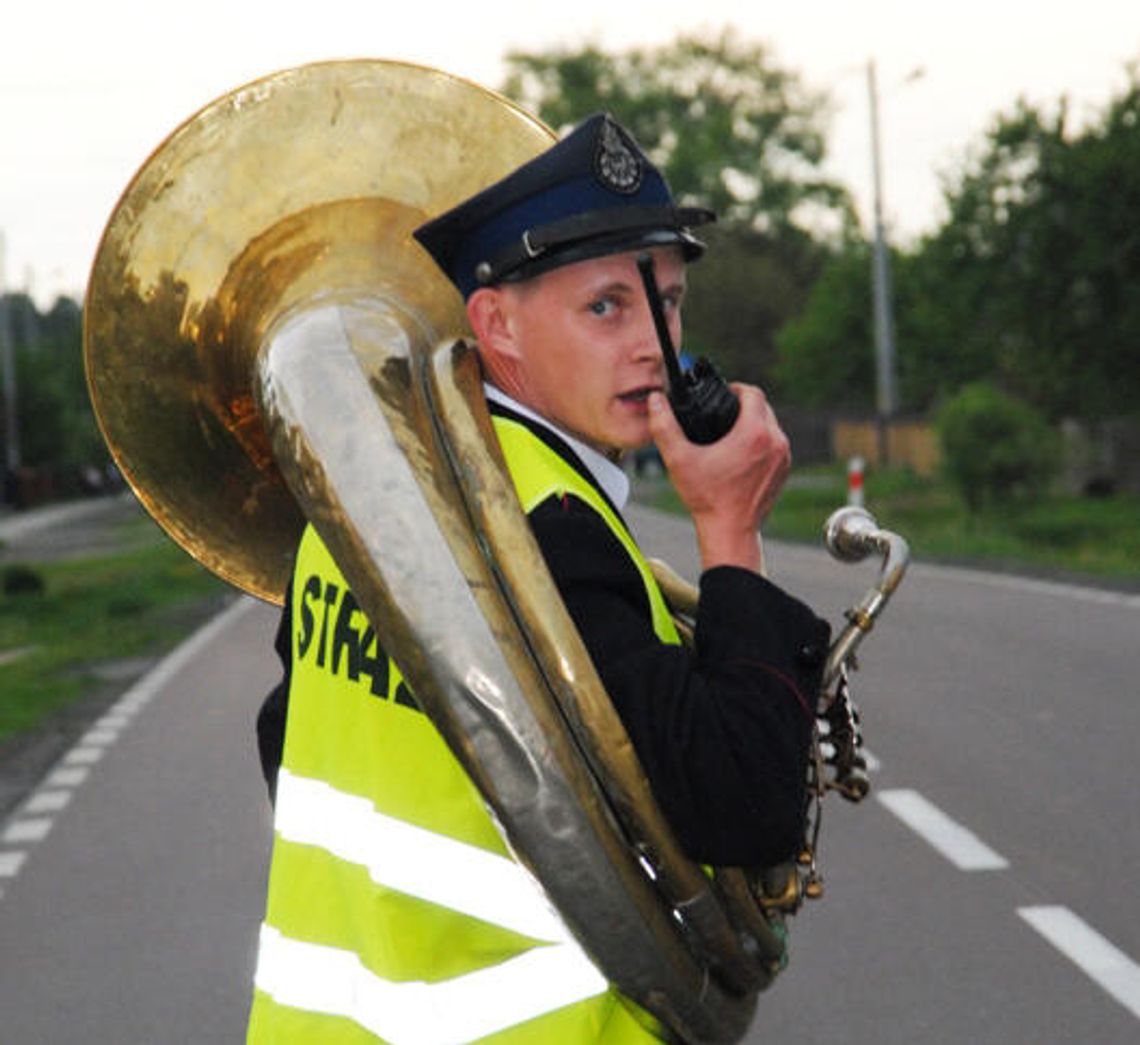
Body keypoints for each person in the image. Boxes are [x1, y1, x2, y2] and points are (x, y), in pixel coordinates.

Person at [249, 113, 831, 1043]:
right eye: (606, 306)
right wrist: (729, 528)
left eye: (669, 302)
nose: (655, 343)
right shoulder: (552, 526)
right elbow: (741, 805)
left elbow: (290, 742)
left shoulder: (353, 512)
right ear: (496, 326)